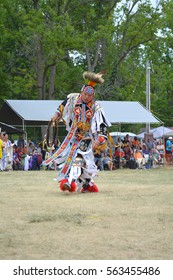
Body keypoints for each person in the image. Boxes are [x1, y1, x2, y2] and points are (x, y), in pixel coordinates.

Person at [43, 71, 111, 192]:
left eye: (90, 95)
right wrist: (56, 115)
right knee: (72, 157)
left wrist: (99, 140)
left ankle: (70, 182)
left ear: (93, 95)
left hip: (87, 138)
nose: (87, 97)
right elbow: (62, 106)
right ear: (82, 91)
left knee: (79, 159)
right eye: (85, 94)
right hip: (72, 135)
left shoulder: (96, 107)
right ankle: (85, 184)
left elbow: (102, 126)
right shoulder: (73, 98)